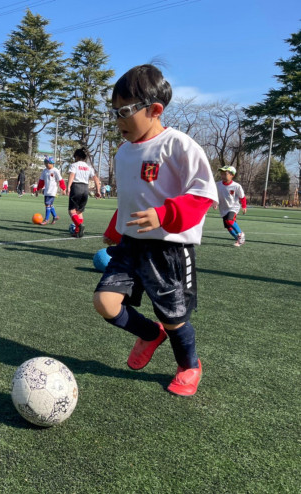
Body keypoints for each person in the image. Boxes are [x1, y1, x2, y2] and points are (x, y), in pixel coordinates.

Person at [92, 64, 218, 397]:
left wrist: (165, 215)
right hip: (130, 246)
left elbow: (204, 195)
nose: (118, 119)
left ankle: (189, 366)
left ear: (155, 110)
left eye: (125, 111)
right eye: (114, 112)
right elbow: (130, 198)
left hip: (168, 251)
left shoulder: (179, 146)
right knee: (105, 302)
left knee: (175, 318)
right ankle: (150, 333)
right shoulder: (123, 152)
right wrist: (115, 229)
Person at [66, 147, 101, 237]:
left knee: (72, 211)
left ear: (77, 156)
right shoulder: (88, 167)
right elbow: (96, 178)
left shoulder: (74, 165)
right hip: (85, 189)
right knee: (79, 211)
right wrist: (98, 190)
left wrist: (68, 187)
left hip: (76, 187)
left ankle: (79, 225)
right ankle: (78, 232)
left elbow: (72, 175)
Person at [215, 165, 247, 246]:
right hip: (223, 208)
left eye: (225, 174)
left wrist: (244, 206)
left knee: (230, 220)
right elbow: (214, 195)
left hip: (233, 207)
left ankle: (241, 234)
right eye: (221, 174)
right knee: (228, 227)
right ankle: (238, 240)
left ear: (232, 175)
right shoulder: (217, 185)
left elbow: (242, 197)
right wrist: (215, 203)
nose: (222, 176)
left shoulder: (236, 186)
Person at [37, 156, 66, 225]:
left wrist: (64, 189)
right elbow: (41, 181)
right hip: (46, 190)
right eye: (45, 163)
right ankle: (55, 216)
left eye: (47, 163)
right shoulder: (44, 171)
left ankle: (46, 219)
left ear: (51, 163)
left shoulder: (55, 171)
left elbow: (61, 180)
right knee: (49, 204)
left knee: (47, 204)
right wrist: (38, 189)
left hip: (52, 191)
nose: (46, 164)